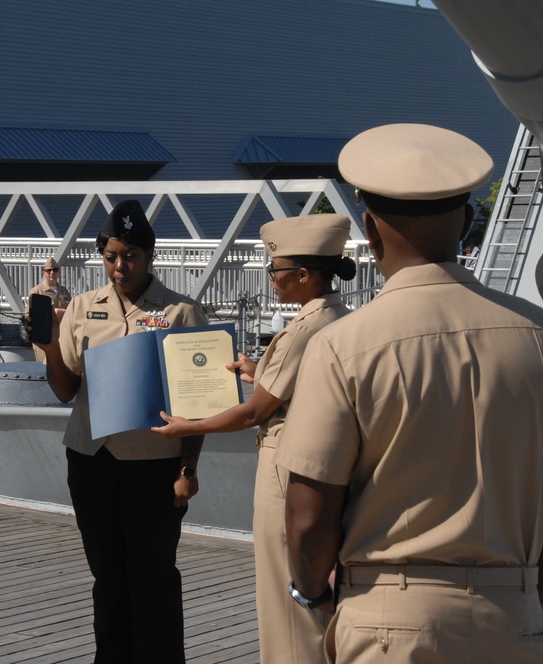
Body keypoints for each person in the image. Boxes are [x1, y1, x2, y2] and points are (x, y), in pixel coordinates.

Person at [274, 123, 543, 663]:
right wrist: (530, 593)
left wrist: (311, 593)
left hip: (387, 622)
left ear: (370, 230)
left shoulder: (341, 346)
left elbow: (309, 514)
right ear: (468, 221)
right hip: (513, 619)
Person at [151, 214, 356, 663]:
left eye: (276, 271)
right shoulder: (338, 316)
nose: (272, 280)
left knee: (286, 592)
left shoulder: (302, 330)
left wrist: (190, 427)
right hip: (321, 462)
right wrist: (256, 371)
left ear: (303, 275)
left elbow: (255, 413)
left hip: (286, 464)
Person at [34, 199, 207, 664]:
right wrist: (51, 349)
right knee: (108, 575)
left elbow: (198, 404)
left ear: (150, 257)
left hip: (153, 466)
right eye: (111, 256)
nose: (119, 266)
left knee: (152, 574)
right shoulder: (83, 308)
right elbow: (66, 390)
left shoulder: (181, 313)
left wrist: (188, 469)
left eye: (130, 256)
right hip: (91, 462)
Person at [26, 257, 72, 363]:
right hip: (44, 336)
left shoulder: (63, 291)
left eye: (55, 270)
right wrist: (53, 313)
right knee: (45, 366)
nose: (52, 273)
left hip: (62, 335)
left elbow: (71, 310)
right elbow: (29, 315)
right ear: (44, 273)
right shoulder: (37, 291)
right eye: (48, 270)